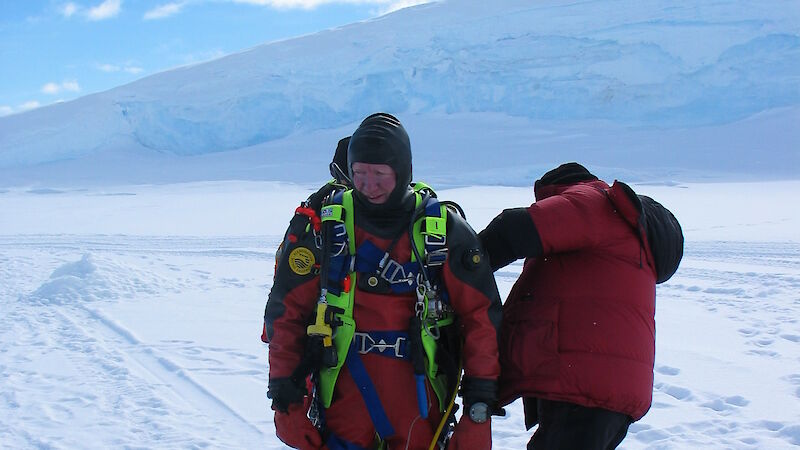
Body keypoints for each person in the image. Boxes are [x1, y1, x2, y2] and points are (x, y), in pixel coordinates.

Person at [263, 112, 502, 450]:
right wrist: (286, 401)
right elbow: (286, 314)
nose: (368, 185)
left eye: (380, 174)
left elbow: (482, 321)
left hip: (420, 404)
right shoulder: (325, 228)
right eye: (359, 173)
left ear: (402, 170)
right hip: (343, 404)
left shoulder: (441, 231)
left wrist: (478, 412)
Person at [478, 162, 682, 450]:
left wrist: (457, 267)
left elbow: (517, 229)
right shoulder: (620, 231)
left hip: (584, 383)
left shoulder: (590, 200)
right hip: (610, 389)